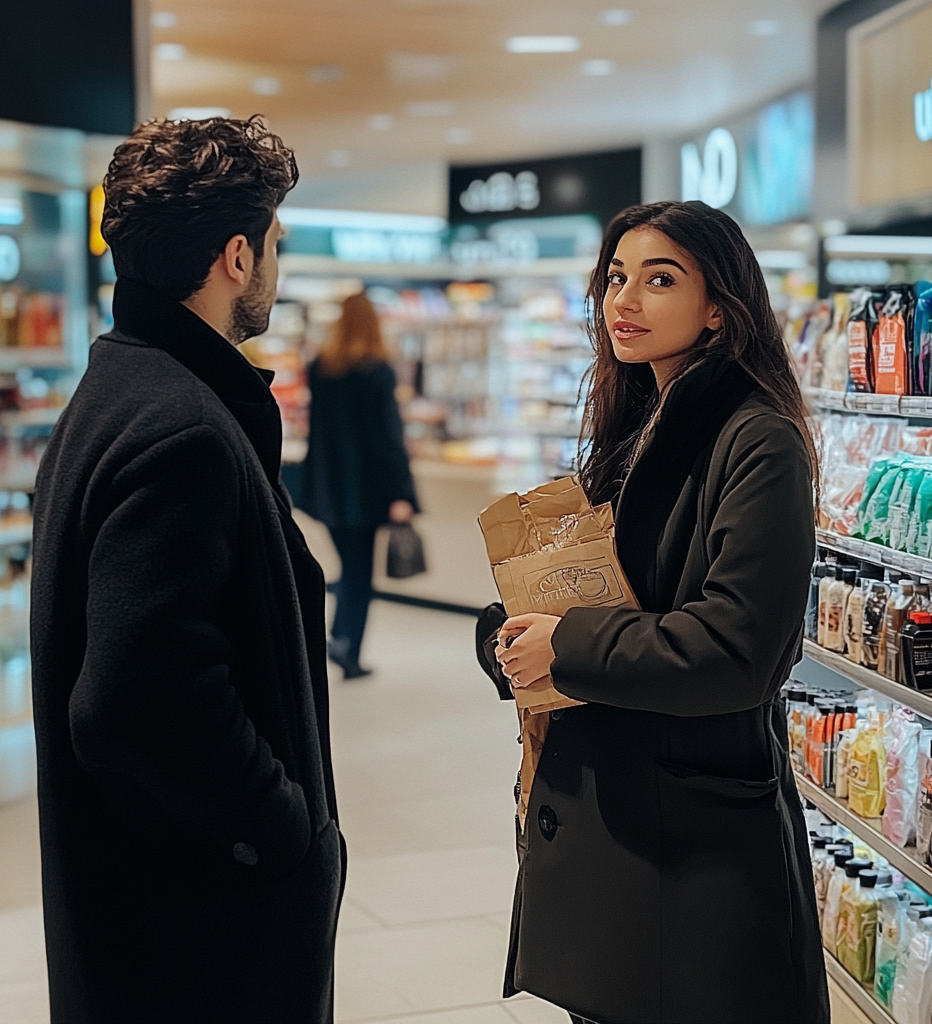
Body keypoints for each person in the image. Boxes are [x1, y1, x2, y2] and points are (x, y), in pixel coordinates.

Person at [30, 116, 343, 1024]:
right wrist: (280, 831)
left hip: (138, 917)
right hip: (200, 937)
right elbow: (137, 695)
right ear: (236, 258)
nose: (277, 270)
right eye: (275, 245)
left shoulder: (117, 389)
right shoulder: (183, 429)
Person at [489, 201, 827, 1024]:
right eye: (615, 278)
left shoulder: (757, 440)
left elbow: (738, 648)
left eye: (659, 279)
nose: (624, 301)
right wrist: (510, 633)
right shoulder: (635, 426)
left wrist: (565, 644)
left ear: (720, 305)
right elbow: (610, 593)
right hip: (623, 825)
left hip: (687, 849)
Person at [299, 291, 419, 679]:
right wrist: (402, 492)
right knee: (359, 575)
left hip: (327, 492)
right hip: (367, 494)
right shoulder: (377, 371)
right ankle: (347, 649)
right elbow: (387, 439)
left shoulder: (321, 368)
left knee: (346, 569)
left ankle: (338, 638)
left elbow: (316, 433)